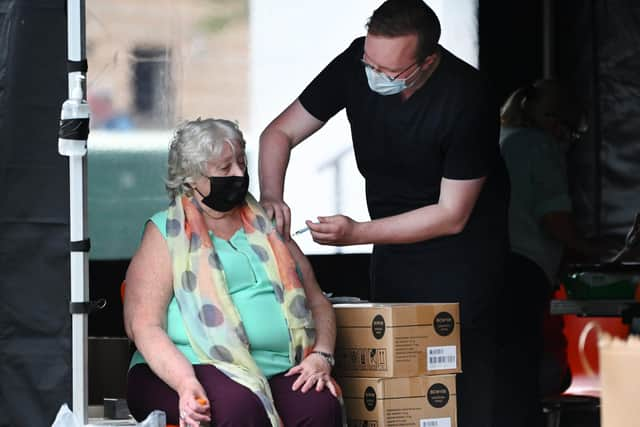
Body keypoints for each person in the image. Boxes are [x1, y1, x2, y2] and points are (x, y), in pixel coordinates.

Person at [258, 1, 510, 426]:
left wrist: (357, 233)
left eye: (389, 72)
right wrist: (271, 197)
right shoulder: (357, 64)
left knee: (458, 385)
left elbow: (452, 214)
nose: (374, 76)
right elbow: (278, 132)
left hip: (461, 256)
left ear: (427, 62)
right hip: (392, 250)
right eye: (369, 63)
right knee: (391, 384)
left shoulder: (468, 97)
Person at [123, 118, 344, 427]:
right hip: (187, 366)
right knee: (237, 407)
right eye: (225, 169)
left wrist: (322, 356)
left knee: (320, 407)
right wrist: (185, 382)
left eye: (242, 163)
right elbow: (143, 326)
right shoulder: (165, 232)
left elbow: (318, 302)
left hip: (276, 367)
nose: (239, 175)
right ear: (191, 178)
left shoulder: (270, 226)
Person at [496, 79, 590, 427]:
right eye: (571, 131)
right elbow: (555, 221)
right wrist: (597, 249)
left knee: (500, 370)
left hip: (488, 266)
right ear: (555, 121)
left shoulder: (501, 139)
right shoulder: (540, 146)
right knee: (525, 372)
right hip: (524, 268)